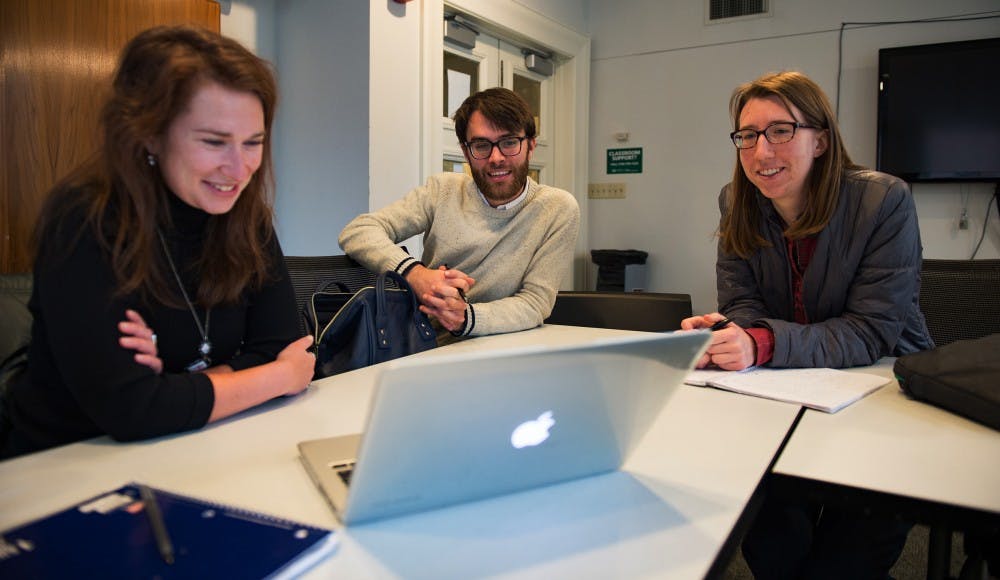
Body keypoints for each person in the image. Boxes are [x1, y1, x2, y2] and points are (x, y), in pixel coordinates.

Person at [0, 26, 315, 460]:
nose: (238, 169)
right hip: (68, 464)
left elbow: (280, 347)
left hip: (191, 447)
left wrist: (170, 387)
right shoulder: (85, 218)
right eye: (213, 142)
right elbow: (131, 411)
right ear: (149, 133)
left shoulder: (245, 218)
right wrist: (278, 378)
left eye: (253, 143)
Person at [681, 71, 933, 578]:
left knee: (849, 554)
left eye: (780, 130)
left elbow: (870, 331)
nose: (760, 150)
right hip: (784, 388)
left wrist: (761, 343)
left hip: (882, 389)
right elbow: (743, 302)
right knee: (770, 536)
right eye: (747, 135)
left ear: (820, 139)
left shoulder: (883, 201)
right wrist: (729, 332)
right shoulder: (736, 201)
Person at [339, 87, 580, 340]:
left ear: (530, 146)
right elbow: (358, 231)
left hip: (506, 350)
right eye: (481, 145)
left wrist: (465, 316)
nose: (496, 158)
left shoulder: (557, 209)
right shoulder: (442, 191)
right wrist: (416, 274)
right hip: (425, 346)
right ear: (466, 152)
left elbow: (535, 303)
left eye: (509, 142)